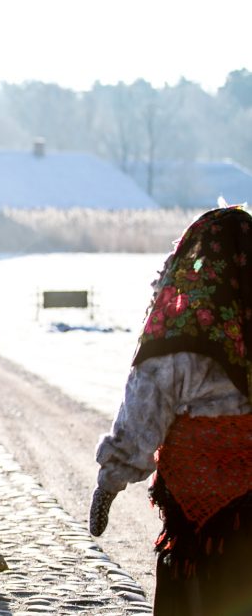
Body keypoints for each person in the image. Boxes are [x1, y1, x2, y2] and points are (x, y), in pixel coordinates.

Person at [91, 206, 252, 615]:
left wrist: (111, 482)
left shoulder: (176, 335)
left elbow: (144, 412)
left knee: (196, 590)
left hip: (194, 500)